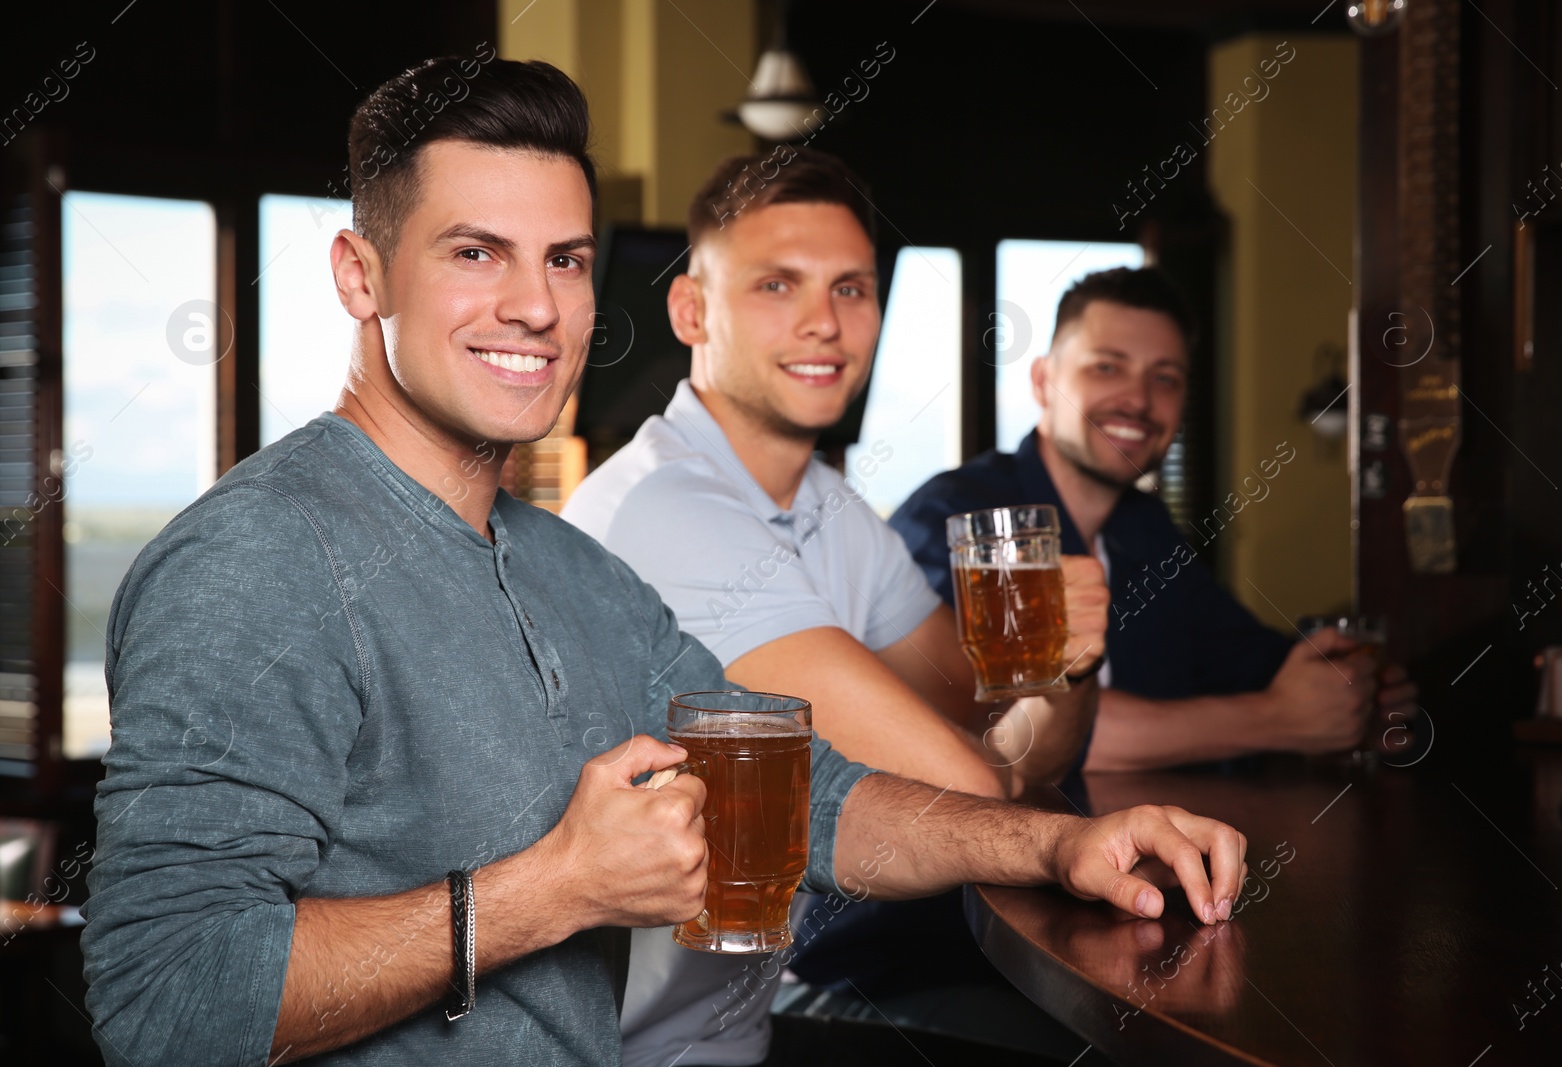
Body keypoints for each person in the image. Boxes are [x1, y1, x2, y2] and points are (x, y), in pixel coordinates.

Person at [80, 60, 1247, 1067]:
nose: (535, 306)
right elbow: (165, 996)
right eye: (476, 253)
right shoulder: (253, 559)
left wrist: (1058, 842)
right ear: (360, 273)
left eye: (568, 260)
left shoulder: (570, 568)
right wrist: (556, 888)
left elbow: (814, 793)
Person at [562, 149, 1110, 1066]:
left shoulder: (833, 508)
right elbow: (975, 787)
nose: (825, 323)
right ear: (691, 310)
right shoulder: (668, 507)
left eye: (852, 289)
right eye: (778, 284)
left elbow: (1009, 741)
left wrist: (1065, 668)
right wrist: (1010, 764)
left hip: (744, 1034)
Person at [891, 267, 1418, 772]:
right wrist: (1277, 720)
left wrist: (1350, 689)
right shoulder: (961, 519)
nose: (1139, 400)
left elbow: (1248, 660)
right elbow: (998, 727)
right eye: (1107, 366)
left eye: (1165, 378)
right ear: (1042, 381)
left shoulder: (1145, 527)